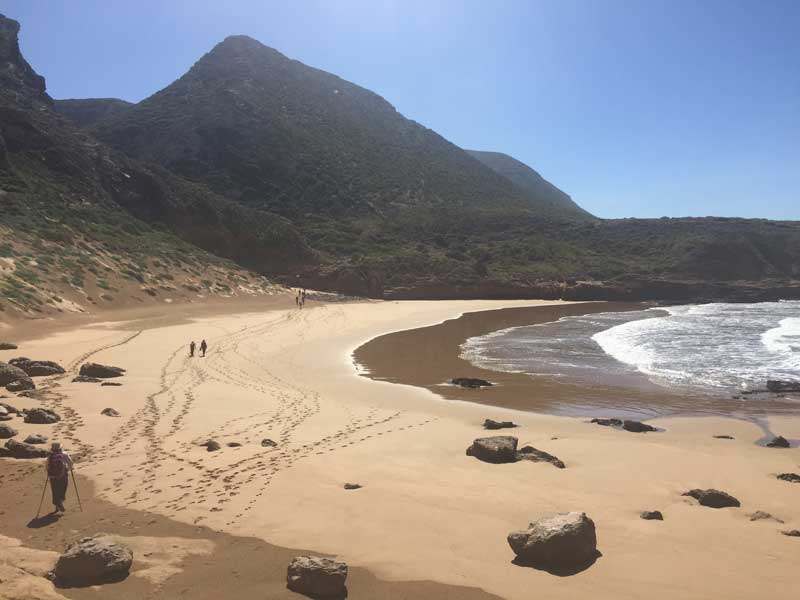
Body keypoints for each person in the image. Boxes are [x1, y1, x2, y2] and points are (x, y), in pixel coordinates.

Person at [46, 442, 73, 513]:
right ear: (60, 448)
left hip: (53, 476)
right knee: (62, 489)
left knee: (55, 491)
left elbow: (47, 465)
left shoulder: (50, 456)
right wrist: (69, 469)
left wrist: (49, 473)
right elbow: (71, 463)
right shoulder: (64, 454)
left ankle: (57, 505)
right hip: (62, 475)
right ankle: (60, 502)